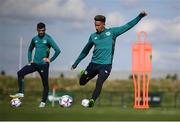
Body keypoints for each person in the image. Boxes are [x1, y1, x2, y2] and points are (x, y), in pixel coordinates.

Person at [71, 11, 147, 107]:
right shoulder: (93, 36)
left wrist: (139, 17)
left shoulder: (112, 33)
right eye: (95, 25)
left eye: (98, 25)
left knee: (99, 82)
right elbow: (85, 51)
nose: (96, 27)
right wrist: (76, 63)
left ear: (103, 24)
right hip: (93, 64)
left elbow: (127, 25)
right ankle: (84, 73)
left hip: (106, 65)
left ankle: (92, 101)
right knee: (82, 82)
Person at [10, 22, 61, 108]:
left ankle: (43, 102)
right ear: (37, 30)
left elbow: (58, 50)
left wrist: (50, 60)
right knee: (20, 73)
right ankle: (21, 92)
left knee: (45, 84)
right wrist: (30, 60)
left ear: (45, 29)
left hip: (44, 65)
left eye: (43, 30)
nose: (41, 32)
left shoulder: (48, 38)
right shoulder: (34, 39)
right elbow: (30, 49)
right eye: (40, 30)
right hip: (34, 64)